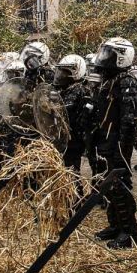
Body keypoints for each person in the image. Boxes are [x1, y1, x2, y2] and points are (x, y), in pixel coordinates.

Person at [90, 37, 137, 249]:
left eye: (109, 55)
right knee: (108, 185)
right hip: (106, 139)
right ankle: (115, 225)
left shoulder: (127, 82)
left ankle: (129, 233)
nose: (104, 60)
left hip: (118, 142)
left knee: (120, 186)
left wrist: (122, 149)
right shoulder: (109, 80)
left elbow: (129, 121)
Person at [52, 54, 92, 194]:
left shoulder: (78, 90)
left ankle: (75, 198)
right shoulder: (65, 89)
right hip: (64, 137)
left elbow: (65, 110)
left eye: (65, 73)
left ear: (76, 73)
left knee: (71, 170)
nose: (61, 75)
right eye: (61, 72)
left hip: (73, 138)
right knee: (66, 169)